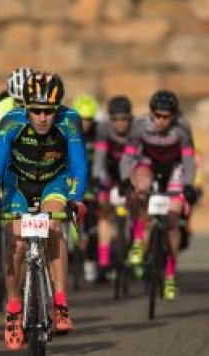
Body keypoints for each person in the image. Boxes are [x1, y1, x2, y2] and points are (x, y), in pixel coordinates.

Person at [0, 71, 88, 350]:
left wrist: (76, 199)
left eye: (48, 111)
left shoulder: (70, 121)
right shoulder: (10, 122)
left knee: (53, 226)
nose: (42, 117)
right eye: (36, 110)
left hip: (55, 180)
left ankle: (61, 302)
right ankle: (14, 308)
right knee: (15, 240)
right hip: (18, 182)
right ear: (25, 107)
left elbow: (79, 165)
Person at [119, 90, 198, 301]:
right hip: (149, 164)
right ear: (151, 113)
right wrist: (126, 179)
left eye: (166, 117)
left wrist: (188, 185)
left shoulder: (182, 129)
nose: (161, 121)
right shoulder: (139, 126)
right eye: (157, 116)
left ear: (174, 115)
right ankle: (138, 239)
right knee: (140, 188)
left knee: (173, 219)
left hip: (174, 167)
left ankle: (171, 275)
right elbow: (127, 156)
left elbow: (189, 160)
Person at [92, 96, 143, 281]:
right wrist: (97, 178)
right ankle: (104, 262)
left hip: (132, 168)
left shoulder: (138, 129)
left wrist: (129, 182)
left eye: (124, 119)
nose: (120, 123)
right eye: (115, 119)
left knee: (137, 200)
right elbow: (99, 156)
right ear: (109, 118)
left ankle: (138, 245)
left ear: (130, 118)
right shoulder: (104, 129)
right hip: (110, 169)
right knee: (104, 210)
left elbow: (136, 159)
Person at [72, 93, 100, 282]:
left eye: (89, 119)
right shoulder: (68, 131)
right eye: (82, 119)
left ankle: (91, 260)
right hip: (72, 178)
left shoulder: (99, 134)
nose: (85, 123)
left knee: (91, 220)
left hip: (92, 178)